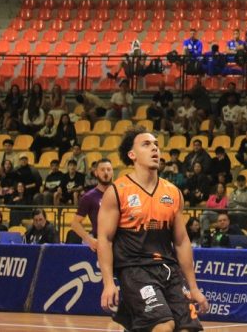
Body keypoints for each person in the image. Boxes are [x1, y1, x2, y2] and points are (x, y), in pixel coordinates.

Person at [97, 128, 209, 331]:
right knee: (163, 326)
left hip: (168, 270)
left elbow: (182, 242)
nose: (155, 148)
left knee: (189, 329)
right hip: (135, 269)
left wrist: (193, 288)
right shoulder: (117, 191)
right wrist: (108, 283)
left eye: (156, 144)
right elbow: (104, 239)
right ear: (132, 155)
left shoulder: (173, 193)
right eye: (146, 144)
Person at [69, 158, 113, 250]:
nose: (106, 173)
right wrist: (88, 239)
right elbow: (75, 223)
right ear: (96, 173)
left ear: (112, 172)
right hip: (100, 242)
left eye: (109, 169)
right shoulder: (89, 197)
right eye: (102, 170)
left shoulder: (120, 193)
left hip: (121, 242)